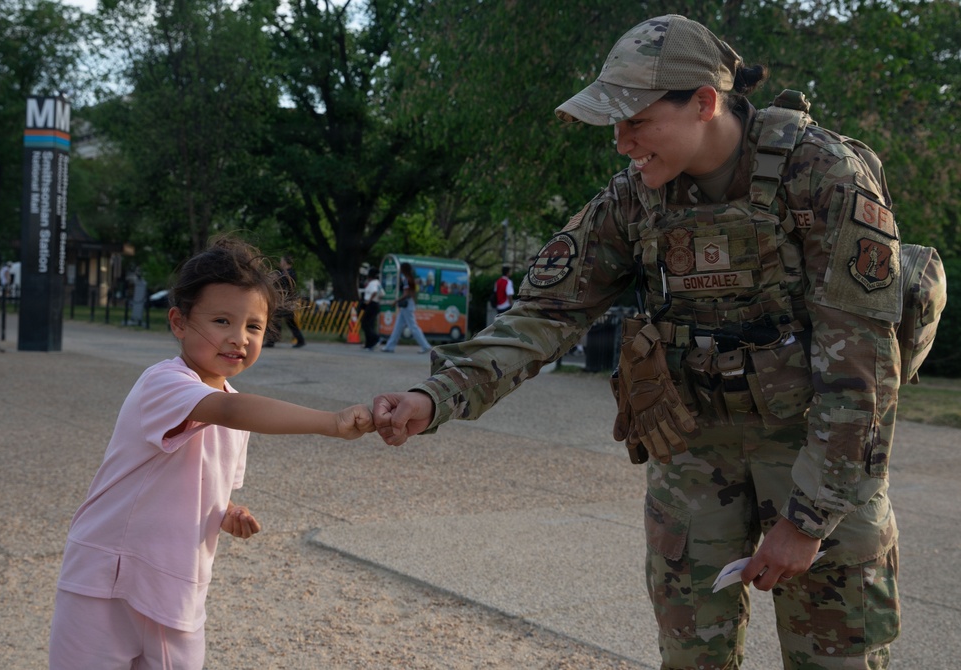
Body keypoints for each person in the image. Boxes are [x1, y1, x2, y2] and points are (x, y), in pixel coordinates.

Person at [373, 15, 904, 668]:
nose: (621, 142)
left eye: (637, 121)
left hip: (817, 449)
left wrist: (808, 518)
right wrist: (436, 395)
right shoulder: (634, 199)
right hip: (692, 448)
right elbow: (544, 314)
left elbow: (863, 365)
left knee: (837, 660)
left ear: (704, 102)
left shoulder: (822, 173)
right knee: (689, 657)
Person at [49, 236, 374, 670]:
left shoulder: (237, 410)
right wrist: (331, 422)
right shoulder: (164, 383)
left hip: (177, 586)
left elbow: (210, 484)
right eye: (222, 320)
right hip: (106, 578)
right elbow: (228, 410)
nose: (239, 338)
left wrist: (228, 511)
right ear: (179, 322)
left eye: (254, 327)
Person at [381, 261, 432, 354]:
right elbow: (412, 294)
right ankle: (389, 346)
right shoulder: (411, 279)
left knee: (413, 327)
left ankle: (425, 346)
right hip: (409, 304)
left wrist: (396, 301)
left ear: (403, 269)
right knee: (398, 327)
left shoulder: (406, 280)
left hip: (406, 305)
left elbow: (406, 294)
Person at [265, 254, 306, 348]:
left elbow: (284, 282)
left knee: (274, 318)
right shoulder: (283, 272)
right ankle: (300, 340)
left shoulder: (290, 273)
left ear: (285, 262)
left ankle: (272, 340)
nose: (280, 263)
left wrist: (276, 278)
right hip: (283, 301)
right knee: (287, 321)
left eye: (281, 261)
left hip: (286, 301)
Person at [360, 266, 384, 351]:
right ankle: (368, 344)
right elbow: (382, 294)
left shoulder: (372, 283)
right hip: (376, 304)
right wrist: (377, 299)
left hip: (371, 304)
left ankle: (375, 338)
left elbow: (374, 292)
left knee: (365, 323)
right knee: (370, 324)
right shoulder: (378, 283)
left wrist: (369, 301)